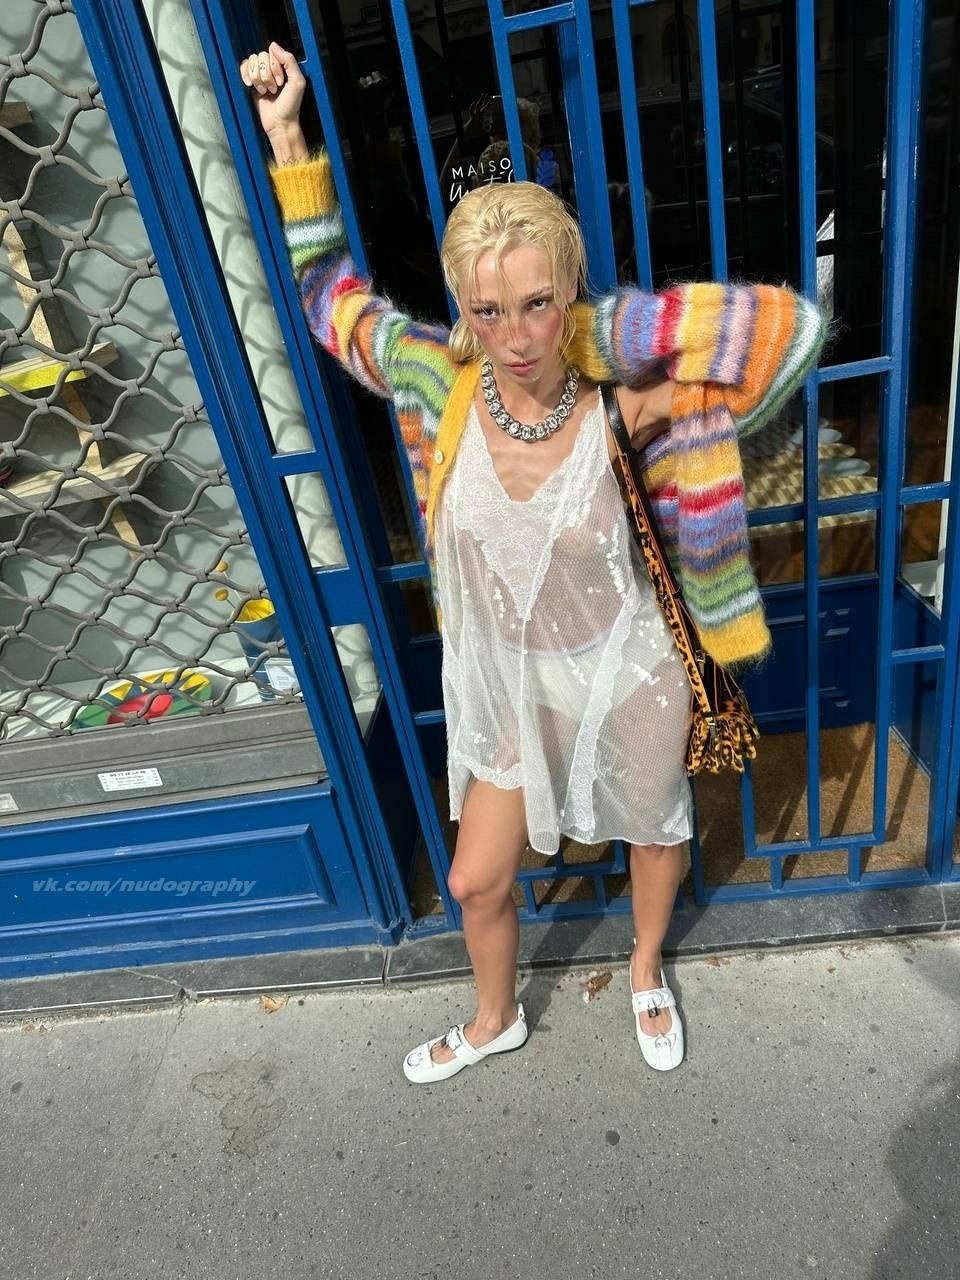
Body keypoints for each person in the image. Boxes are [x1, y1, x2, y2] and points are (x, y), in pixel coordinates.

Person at [241, 44, 827, 1082]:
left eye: (538, 303)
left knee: (655, 832)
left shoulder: (619, 397)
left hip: (624, 667)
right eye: (488, 309)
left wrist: (603, 331)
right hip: (509, 683)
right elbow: (333, 299)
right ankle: (494, 1016)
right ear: (460, 307)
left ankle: (644, 964)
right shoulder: (435, 380)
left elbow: (788, 335)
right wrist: (289, 136)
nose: (515, 336)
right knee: (475, 878)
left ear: (571, 291)